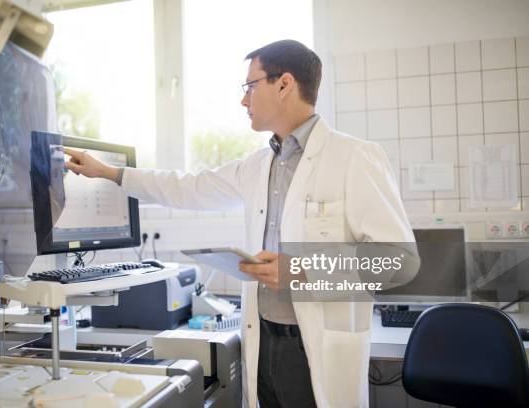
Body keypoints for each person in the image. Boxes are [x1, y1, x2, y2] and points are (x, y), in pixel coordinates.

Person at [64, 39, 415, 408]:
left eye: (250, 87)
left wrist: (300, 270)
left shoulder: (354, 157)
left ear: (284, 84)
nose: (243, 100)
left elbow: (400, 261)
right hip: (262, 342)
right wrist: (111, 173)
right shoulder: (257, 165)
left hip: (314, 350)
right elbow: (189, 187)